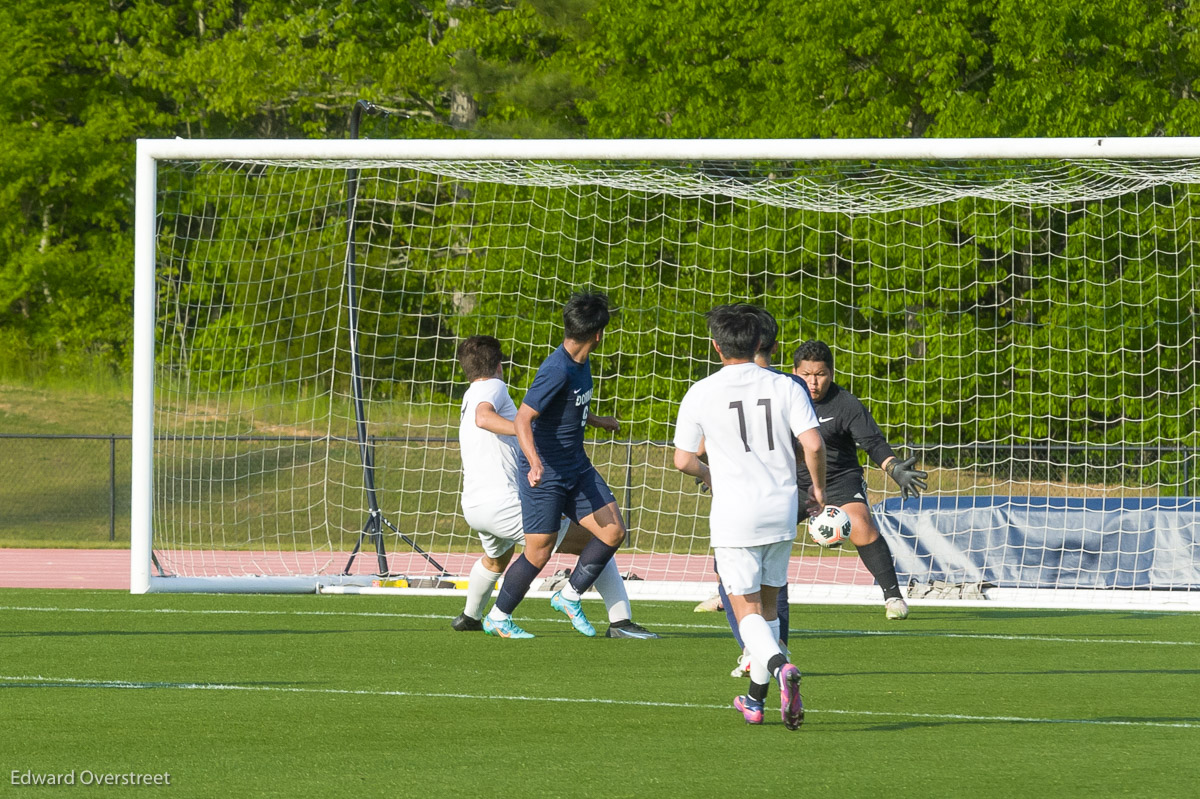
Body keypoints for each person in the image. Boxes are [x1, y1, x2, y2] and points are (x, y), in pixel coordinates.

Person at [673, 304, 828, 729]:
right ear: (759, 342)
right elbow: (813, 445)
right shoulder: (787, 387)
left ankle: (781, 667)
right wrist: (816, 489)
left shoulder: (701, 392)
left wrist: (711, 476)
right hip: (780, 510)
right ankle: (755, 701)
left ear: (715, 345)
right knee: (770, 608)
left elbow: (683, 459)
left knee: (747, 613)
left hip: (735, 514)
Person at [451, 335, 653, 638]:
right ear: (499, 365)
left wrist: (592, 420)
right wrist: (525, 430)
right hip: (503, 501)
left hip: (475, 504)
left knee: (497, 559)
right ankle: (620, 621)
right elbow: (485, 417)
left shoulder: (469, 394)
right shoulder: (494, 386)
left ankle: (470, 617)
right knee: (597, 537)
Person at [791, 339, 928, 620]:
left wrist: (894, 468)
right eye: (806, 374)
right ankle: (728, 593)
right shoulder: (783, 399)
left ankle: (893, 596)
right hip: (794, 483)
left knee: (861, 525)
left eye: (820, 375)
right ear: (794, 372)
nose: (813, 382)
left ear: (831, 373)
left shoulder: (845, 403)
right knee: (755, 526)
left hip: (840, 481)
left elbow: (873, 443)